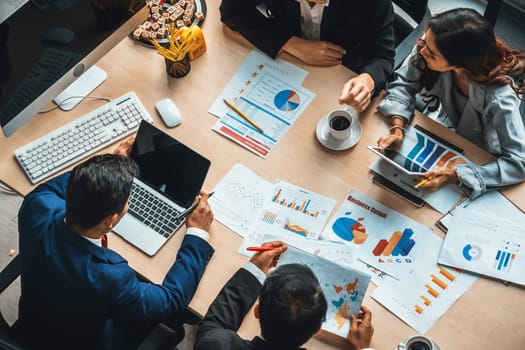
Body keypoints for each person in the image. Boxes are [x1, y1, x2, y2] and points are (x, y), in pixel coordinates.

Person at [16, 137, 215, 349]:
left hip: (34, 319)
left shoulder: (36, 206)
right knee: (179, 319)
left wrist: (106, 169)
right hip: (81, 342)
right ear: (111, 220)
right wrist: (197, 232)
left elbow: (65, 185)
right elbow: (171, 300)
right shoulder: (111, 278)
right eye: (128, 201)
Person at [376, 8, 525, 198]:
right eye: (424, 42)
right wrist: (397, 127)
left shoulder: (501, 97)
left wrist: (456, 174)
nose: (421, 51)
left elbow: (519, 162)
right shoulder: (430, 46)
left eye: (431, 55)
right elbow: (404, 83)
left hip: (484, 152)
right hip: (445, 129)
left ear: (460, 64)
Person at [219, 0, 395, 112]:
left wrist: (368, 79)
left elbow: (383, 56)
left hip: (337, 82)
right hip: (286, 65)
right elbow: (231, 11)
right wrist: (290, 43)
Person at [195, 241, 375, 350]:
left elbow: (212, 326)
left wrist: (254, 269)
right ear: (317, 329)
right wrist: (362, 348)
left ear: (257, 310)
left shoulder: (217, 345)